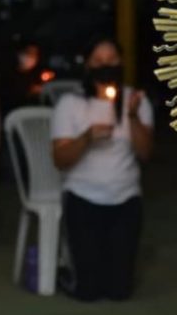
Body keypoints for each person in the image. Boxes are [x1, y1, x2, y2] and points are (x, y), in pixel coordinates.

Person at [51, 37, 154, 301]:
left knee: (119, 292)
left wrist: (131, 116)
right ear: (87, 65)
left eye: (111, 60)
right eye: (98, 61)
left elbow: (145, 153)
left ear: (121, 63)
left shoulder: (136, 100)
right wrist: (86, 138)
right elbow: (60, 159)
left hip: (126, 200)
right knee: (89, 292)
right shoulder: (70, 104)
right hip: (83, 199)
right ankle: (69, 273)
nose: (105, 66)